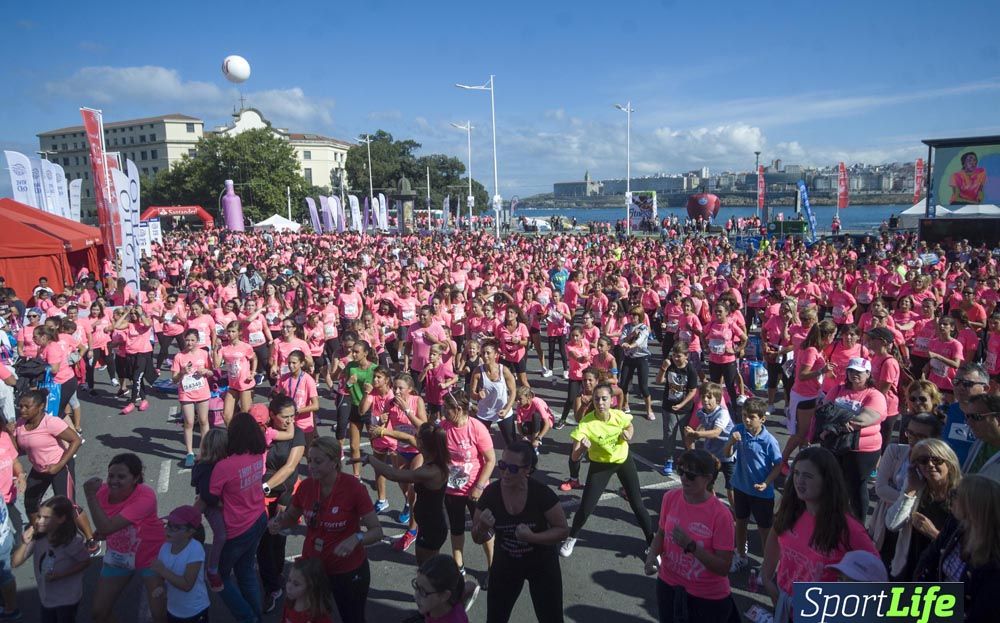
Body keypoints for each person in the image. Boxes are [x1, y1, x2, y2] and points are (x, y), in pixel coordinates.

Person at [268, 437, 382, 623]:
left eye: (318, 461)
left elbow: (377, 531)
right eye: (309, 461)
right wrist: (278, 523)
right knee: (309, 617)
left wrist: (357, 538)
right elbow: (290, 517)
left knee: (352, 618)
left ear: (335, 462)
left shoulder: (353, 488)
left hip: (347, 570)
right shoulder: (306, 487)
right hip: (313, 571)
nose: (311, 466)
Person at [761, 447, 877, 623]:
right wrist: (767, 578)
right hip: (786, 605)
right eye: (797, 473)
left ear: (827, 481)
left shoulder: (849, 529)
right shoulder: (792, 511)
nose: (799, 481)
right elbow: (775, 535)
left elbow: (875, 575)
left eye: (808, 476)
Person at [472, 442, 567, 623]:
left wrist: (533, 537)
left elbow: (562, 530)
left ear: (527, 470)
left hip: (542, 564)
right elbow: (477, 538)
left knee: (552, 618)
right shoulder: (491, 494)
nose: (506, 472)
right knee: (495, 618)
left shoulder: (541, 493)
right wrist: (482, 527)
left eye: (513, 468)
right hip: (506, 563)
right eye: (503, 466)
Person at [560, 383, 654, 558]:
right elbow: (574, 457)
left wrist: (629, 434)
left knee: (637, 504)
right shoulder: (586, 424)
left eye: (604, 398)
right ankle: (572, 537)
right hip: (600, 465)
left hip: (623, 461)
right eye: (597, 399)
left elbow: (629, 426)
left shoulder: (619, 415)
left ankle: (652, 544)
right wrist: (582, 449)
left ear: (611, 400)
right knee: (586, 507)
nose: (600, 402)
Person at [643, 449, 735, 623]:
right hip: (669, 585)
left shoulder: (721, 515)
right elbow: (661, 533)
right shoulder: (670, 498)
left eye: (691, 475)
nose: (684, 478)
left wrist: (691, 546)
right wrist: (651, 556)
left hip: (706, 597)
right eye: (681, 471)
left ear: (708, 479)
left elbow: (723, 567)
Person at [84, 453, 168, 623]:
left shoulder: (146, 497)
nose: (113, 481)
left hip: (150, 557)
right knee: (99, 613)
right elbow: (107, 526)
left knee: (159, 616)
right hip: (119, 556)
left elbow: (106, 526)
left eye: (121, 476)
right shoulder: (102, 493)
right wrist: (103, 534)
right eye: (111, 475)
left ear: (136, 478)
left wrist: (90, 496)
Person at [914, 475, 1000, 623]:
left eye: (956, 494)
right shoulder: (956, 524)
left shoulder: (993, 564)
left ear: (974, 508)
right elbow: (929, 557)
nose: (950, 497)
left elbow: (982, 614)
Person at [208, 412, 268, 623]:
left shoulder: (224, 466)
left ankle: (246, 617)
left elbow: (210, 498)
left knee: (218, 575)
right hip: (258, 517)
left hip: (237, 527)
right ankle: (255, 615)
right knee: (246, 571)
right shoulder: (257, 457)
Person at [363, 422, 450, 564]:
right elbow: (408, 439)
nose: (414, 438)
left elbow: (393, 474)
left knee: (426, 567)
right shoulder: (434, 455)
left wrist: (370, 459)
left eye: (417, 437)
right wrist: (383, 432)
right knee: (431, 566)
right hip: (429, 523)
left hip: (432, 527)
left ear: (423, 443)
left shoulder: (429, 471)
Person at [869, 411, 944, 569]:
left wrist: (898, 498)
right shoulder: (895, 451)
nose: (913, 439)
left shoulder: (939, 466)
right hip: (888, 523)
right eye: (910, 433)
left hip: (917, 532)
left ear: (935, 438)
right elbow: (880, 489)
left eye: (921, 436)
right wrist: (911, 497)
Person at [818, 356, 887, 520]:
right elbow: (825, 411)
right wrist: (844, 422)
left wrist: (838, 422)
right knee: (833, 483)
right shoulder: (838, 389)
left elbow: (866, 418)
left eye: (859, 372)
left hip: (861, 449)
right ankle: (835, 518)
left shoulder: (875, 395)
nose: (854, 374)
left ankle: (859, 523)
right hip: (835, 444)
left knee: (856, 486)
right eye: (851, 371)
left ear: (868, 373)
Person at [885, 439, 961, 580]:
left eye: (937, 460)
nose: (930, 465)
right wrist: (910, 490)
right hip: (910, 568)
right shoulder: (917, 488)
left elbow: (968, 549)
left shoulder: (963, 495)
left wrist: (934, 534)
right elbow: (892, 524)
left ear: (949, 463)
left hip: (942, 574)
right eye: (923, 460)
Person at [258, 396, 306, 614]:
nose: (290, 421)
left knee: (277, 538)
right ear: (272, 415)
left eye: (292, 416)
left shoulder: (297, 433)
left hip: (285, 494)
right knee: (264, 540)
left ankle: (276, 577)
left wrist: (265, 486)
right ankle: (272, 586)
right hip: (264, 496)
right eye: (284, 417)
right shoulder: (263, 431)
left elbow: (290, 467)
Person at [440, 391, 495, 577]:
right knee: (455, 529)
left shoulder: (476, 428)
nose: (443, 411)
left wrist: (478, 487)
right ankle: (459, 566)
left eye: (446, 408)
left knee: (483, 530)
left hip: (475, 490)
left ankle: (492, 566)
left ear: (458, 409)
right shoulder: (443, 427)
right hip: (453, 490)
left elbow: (490, 460)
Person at [723, 398, 782, 573]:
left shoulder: (769, 441)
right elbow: (726, 454)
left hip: (762, 494)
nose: (746, 420)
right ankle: (740, 555)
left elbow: (778, 465)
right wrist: (730, 443)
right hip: (741, 488)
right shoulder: (738, 431)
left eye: (751, 417)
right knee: (740, 523)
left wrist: (766, 482)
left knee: (764, 530)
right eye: (744, 415)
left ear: (762, 419)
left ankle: (768, 565)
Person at [10, 496, 89, 623]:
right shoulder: (38, 538)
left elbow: (85, 562)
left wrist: (61, 575)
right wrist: (24, 543)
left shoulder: (72, 542)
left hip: (67, 599)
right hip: (46, 597)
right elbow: (15, 563)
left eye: (46, 518)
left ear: (61, 519)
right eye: (39, 516)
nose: (39, 521)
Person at [150, 505, 210, 623]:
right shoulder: (165, 548)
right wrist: (160, 587)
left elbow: (187, 585)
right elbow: (162, 578)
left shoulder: (195, 550)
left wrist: (163, 571)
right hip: (173, 609)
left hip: (194, 611)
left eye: (175, 528)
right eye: (168, 525)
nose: (168, 530)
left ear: (190, 532)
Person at [684, 381, 735, 508]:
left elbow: (716, 432)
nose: (705, 400)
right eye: (703, 397)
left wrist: (696, 434)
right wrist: (691, 433)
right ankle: (712, 505)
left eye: (709, 397)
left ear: (718, 400)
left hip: (728, 454)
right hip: (712, 454)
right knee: (707, 482)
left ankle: (735, 511)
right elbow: (700, 427)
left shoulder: (722, 413)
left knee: (731, 486)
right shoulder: (701, 412)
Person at [190, 427, 228, 593]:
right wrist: (221, 504)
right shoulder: (207, 467)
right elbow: (207, 495)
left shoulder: (209, 464)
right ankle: (212, 570)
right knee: (221, 535)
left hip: (215, 503)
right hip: (212, 506)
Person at [171, 329, 214, 468]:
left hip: (202, 391)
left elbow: (211, 371)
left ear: (197, 341)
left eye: (192, 340)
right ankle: (189, 453)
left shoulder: (204, 353)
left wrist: (206, 372)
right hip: (186, 393)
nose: (189, 343)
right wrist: (182, 372)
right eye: (187, 340)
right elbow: (174, 379)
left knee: (203, 421)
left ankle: (204, 451)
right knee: (189, 422)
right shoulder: (179, 356)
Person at [656, 341, 699, 476]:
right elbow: (658, 381)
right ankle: (668, 459)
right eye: (674, 355)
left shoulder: (690, 370)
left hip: (685, 409)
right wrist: (663, 368)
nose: (675, 358)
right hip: (668, 406)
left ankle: (689, 460)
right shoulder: (669, 365)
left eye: (679, 356)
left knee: (687, 436)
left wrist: (682, 404)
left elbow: (692, 391)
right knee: (669, 434)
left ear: (686, 356)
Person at [470, 339, 517, 449]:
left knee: (512, 443)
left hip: (503, 411)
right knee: (478, 443)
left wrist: (506, 409)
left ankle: (515, 465)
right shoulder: (477, 371)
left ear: (496, 354)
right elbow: (472, 393)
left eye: (488, 353)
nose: (485, 356)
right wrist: (477, 395)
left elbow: (513, 392)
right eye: (483, 353)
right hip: (484, 413)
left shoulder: (504, 370)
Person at [619, 306, 655, 420]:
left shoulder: (644, 328)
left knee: (643, 386)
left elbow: (640, 341)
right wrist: (630, 336)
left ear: (640, 317)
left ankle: (649, 409)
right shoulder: (627, 327)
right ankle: (625, 404)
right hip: (629, 357)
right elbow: (622, 340)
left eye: (635, 315)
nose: (632, 318)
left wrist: (630, 345)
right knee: (623, 383)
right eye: (631, 315)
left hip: (641, 358)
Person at [412, 555, 471, 623]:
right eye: (416, 586)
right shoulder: (434, 608)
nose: (416, 596)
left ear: (444, 596)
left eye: (423, 591)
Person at [282, 558, 334, 623]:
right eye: (289, 580)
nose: (289, 586)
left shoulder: (319, 616)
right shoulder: (289, 603)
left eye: (296, 584)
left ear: (310, 588)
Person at [962, 393, 1000, 480]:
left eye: (976, 417)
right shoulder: (979, 443)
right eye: (968, 416)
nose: (969, 423)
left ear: (998, 419)